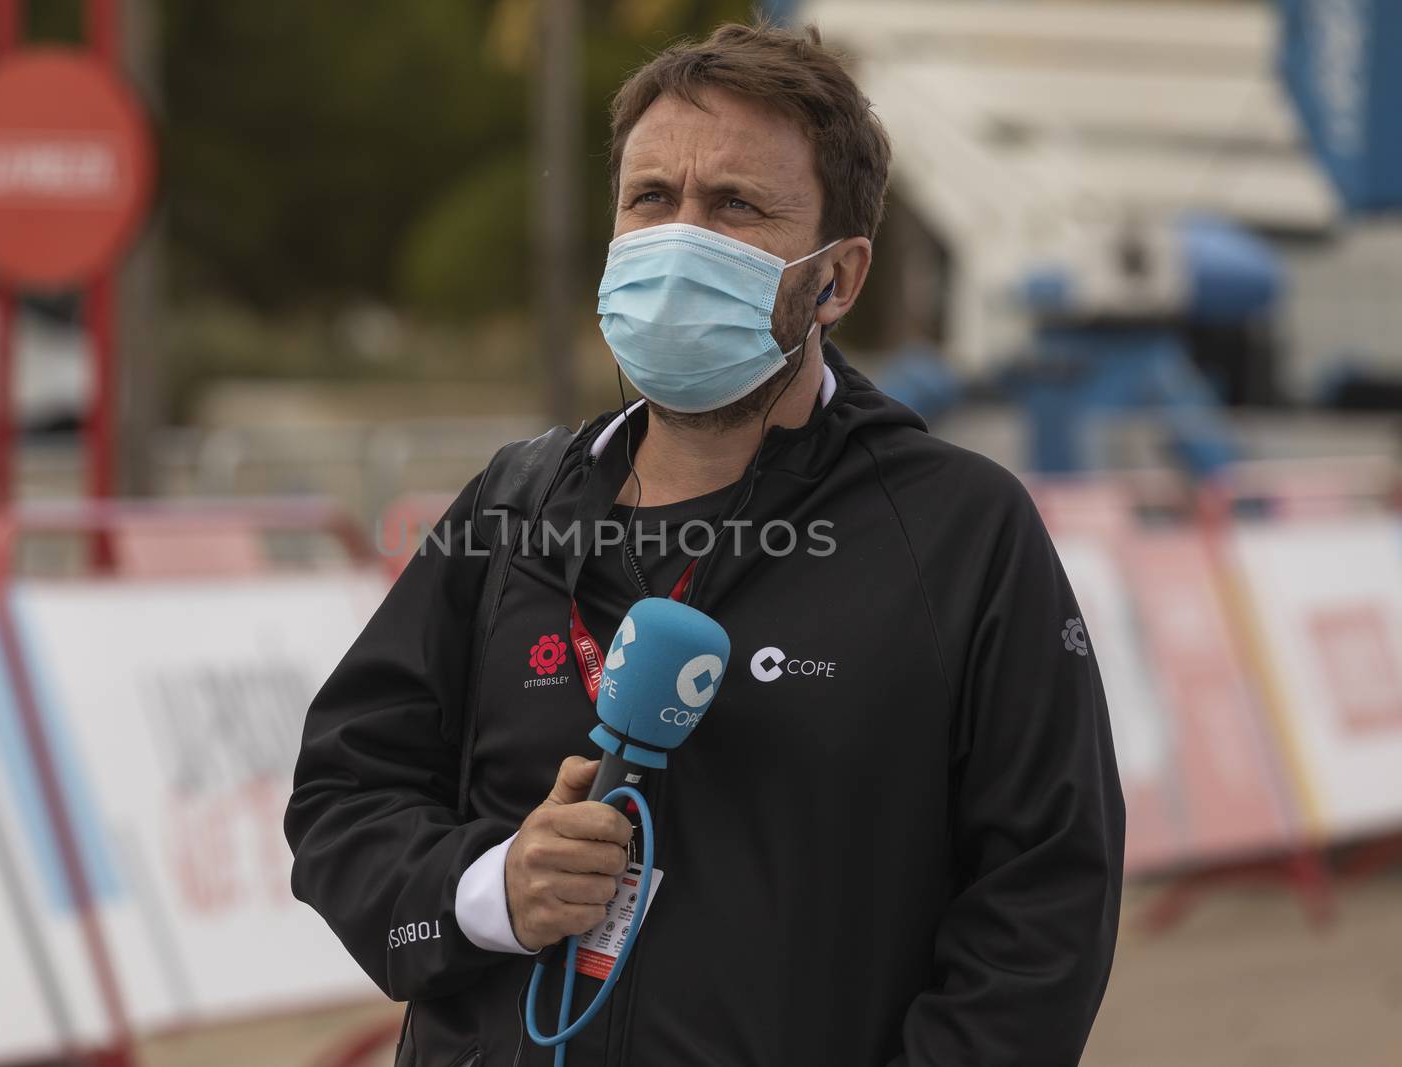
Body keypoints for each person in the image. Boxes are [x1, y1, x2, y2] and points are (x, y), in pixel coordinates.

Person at [286, 22, 1123, 1067]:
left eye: (735, 207)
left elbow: (1045, 900)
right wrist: (486, 890)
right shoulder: (512, 506)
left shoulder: (959, 531)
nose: (680, 238)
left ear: (838, 278)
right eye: (651, 200)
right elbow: (341, 797)